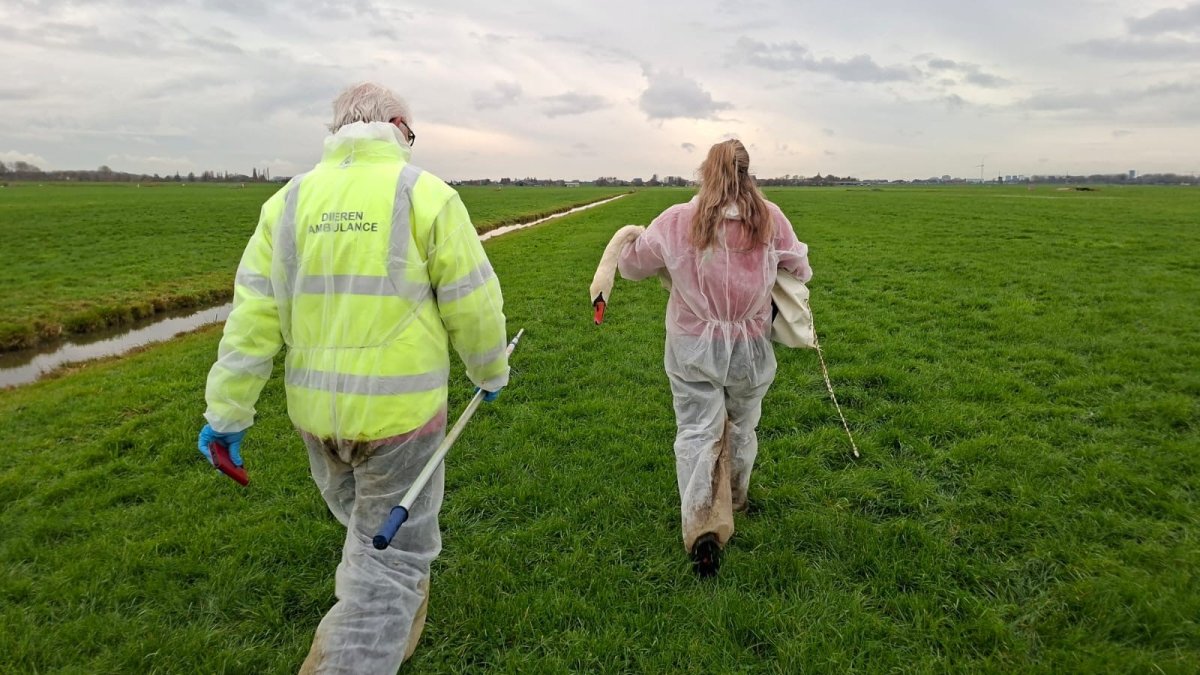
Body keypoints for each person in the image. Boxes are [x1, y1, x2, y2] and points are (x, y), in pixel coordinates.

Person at [196, 82, 510, 672]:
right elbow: (473, 303)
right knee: (387, 562)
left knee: (369, 538)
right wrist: (490, 369)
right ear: (396, 124)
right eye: (410, 134)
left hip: (317, 420)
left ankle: (389, 610)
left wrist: (227, 414)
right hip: (402, 421)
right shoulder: (426, 194)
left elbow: (251, 320)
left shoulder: (287, 203)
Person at [617, 139, 811, 576]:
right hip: (750, 345)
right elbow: (800, 267)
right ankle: (736, 498)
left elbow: (632, 267)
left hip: (691, 346)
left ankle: (703, 522)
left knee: (697, 429)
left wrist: (633, 241)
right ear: (747, 172)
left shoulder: (676, 221)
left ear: (706, 171)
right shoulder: (770, 218)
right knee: (742, 424)